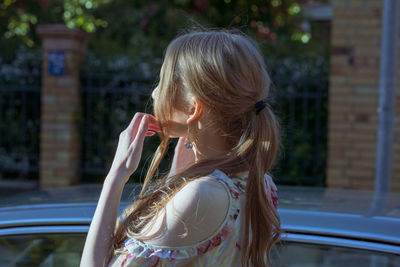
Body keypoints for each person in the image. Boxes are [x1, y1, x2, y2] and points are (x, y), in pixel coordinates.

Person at [80, 30, 281, 267]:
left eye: (163, 81)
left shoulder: (202, 195)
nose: (155, 93)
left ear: (194, 109)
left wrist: (115, 178)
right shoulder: (260, 182)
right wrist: (181, 176)